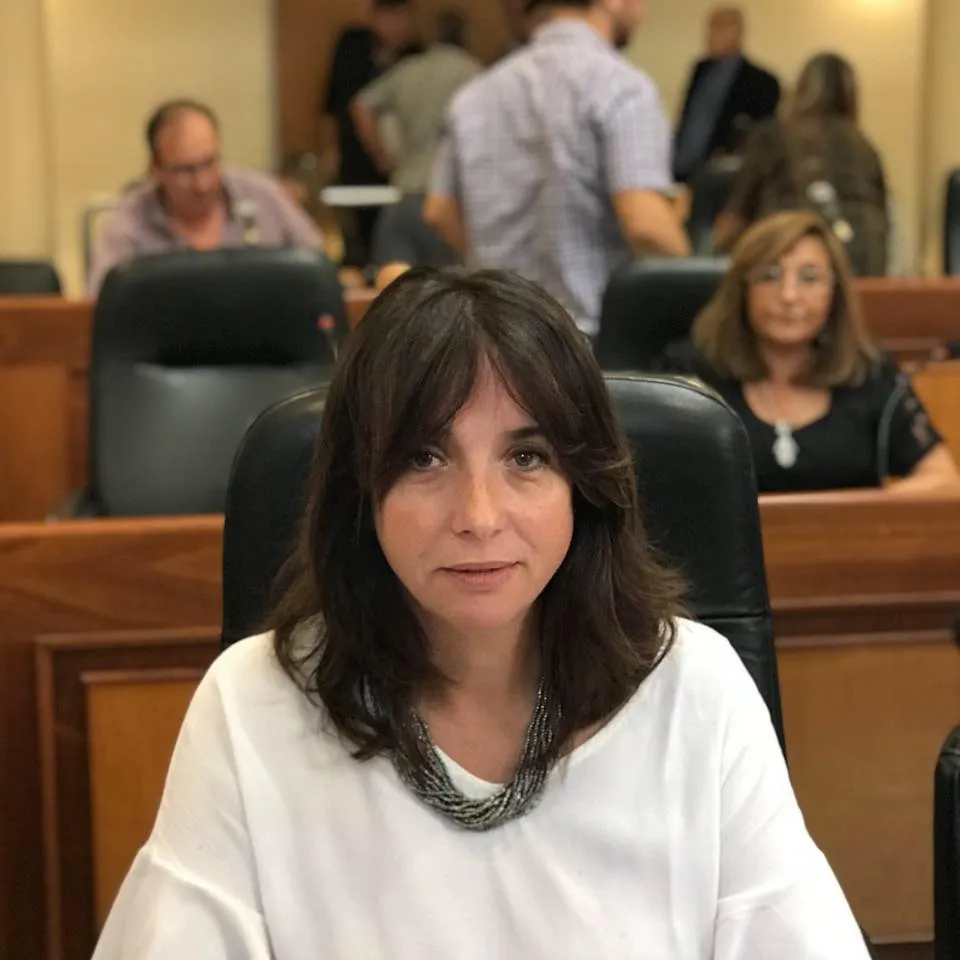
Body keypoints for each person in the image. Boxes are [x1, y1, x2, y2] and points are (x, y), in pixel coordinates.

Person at [92, 267, 870, 958]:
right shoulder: (252, 703)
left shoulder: (695, 689)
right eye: (424, 458)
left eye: (526, 458)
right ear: (361, 489)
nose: (479, 515)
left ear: (585, 483)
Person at [424, 0, 690, 338]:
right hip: (587, 338)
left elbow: (438, 211)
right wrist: (699, 280)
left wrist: (488, 267)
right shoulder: (622, 87)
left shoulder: (472, 97)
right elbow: (644, 224)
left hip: (495, 336)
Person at [657, 211, 959, 494]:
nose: (789, 296)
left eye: (809, 278)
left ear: (834, 292)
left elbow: (944, 478)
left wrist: (858, 519)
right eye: (770, 276)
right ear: (742, 289)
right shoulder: (688, 377)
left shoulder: (870, 373)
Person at [88, 101, 323, 296]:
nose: (202, 184)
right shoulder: (126, 225)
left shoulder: (262, 196)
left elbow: (318, 270)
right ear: (155, 168)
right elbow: (101, 308)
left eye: (209, 163)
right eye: (184, 170)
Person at [714, 53, 889, 277]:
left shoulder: (772, 136)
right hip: (867, 278)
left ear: (801, 89)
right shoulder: (865, 148)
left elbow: (731, 223)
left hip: (789, 271)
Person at [351, 9, 482, 267]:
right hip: (451, 202)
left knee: (395, 286)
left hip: (404, 193)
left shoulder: (409, 69)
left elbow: (361, 105)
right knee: (452, 286)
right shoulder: (475, 74)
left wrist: (382, 157)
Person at [320, 0, 423, 266]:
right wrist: (331, 150)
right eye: (387, 16)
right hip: (355, 157)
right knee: (356, 237)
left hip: (401, 166)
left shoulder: (415, 55)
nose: (393, 25)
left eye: (399, 16)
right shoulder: (352, 45)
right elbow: (333, 102)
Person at [673, 6, 780, 184]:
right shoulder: (700, 70)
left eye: (720, 27)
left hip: (724, 178)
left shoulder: (761, 82)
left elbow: (760, 138)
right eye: (711, 28)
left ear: (738, 32)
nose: (711, 35)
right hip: (683, 170)